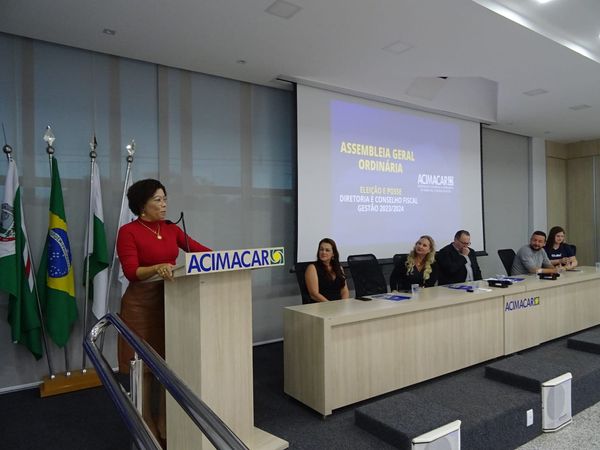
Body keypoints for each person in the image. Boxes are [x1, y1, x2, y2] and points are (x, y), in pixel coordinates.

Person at [116, 178, 211, 445]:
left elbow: (201, 252)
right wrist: (157, 267)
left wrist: (226, 259)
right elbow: (131, 271)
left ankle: (165, 420)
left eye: (165, 199)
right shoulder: (128, 232)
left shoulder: (171, 229)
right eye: (157, 200)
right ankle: (146, 424)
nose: (164, 204)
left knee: (168, 366)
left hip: (170, 302)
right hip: (140, 306)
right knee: (145, 369)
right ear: (142, 206)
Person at [305, 238, 350, 302]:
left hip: (339, 305)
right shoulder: (312, 268)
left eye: (327, 250)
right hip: (321, 305)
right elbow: (314, 294)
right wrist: (330, 305)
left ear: (333, 254)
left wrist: (344, 304)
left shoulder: (339, 268)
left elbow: (344, 291)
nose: (323, 252)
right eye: (321, 249)